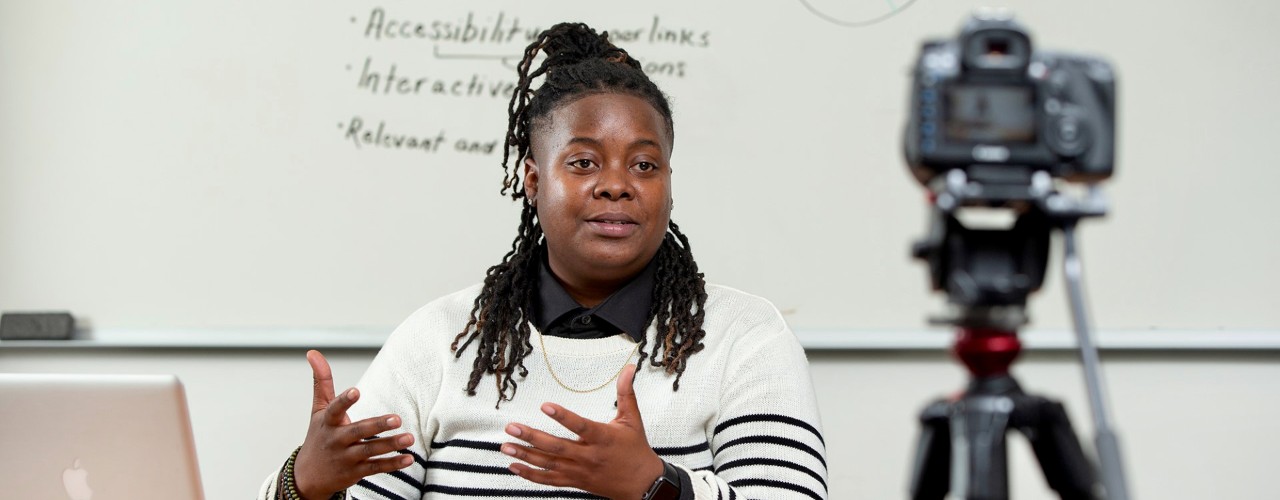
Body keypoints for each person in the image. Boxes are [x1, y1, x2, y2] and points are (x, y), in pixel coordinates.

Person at [259, 22, 827, 500]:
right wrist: (305, 483)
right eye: (583, 162)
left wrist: (656, 485)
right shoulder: (439, 340)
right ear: (533, 180)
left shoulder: (746, 338)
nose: (616, 186)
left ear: (669, 184)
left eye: (645, 166)